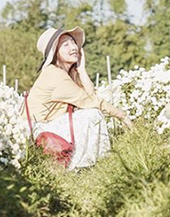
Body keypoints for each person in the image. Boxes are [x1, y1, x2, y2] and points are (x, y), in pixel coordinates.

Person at [20, 26, 133, 171]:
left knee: (92, 113)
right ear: (55, 53)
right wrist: (122, 116)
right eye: (66, 45)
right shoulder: (55, 75)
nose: (73, 47)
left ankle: (88, 165)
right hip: (38, 131)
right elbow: (90, 101)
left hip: (47, 127)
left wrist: (81, 69)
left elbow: (90, 95)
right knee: (93, 115)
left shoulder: (64, 73)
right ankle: (84, 166)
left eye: (73, 42)